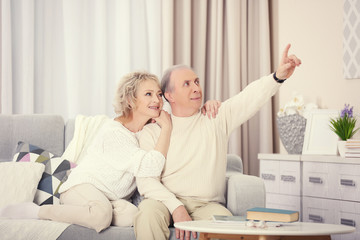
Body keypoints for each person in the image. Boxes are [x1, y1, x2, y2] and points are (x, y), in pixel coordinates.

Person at [134, 44, 302, 240]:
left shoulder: (216, 117)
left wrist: (277, 76)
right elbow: (146, 181)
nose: (197, 88)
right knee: (147, 214)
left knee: (227, 228)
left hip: (206, 205)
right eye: (187, 84)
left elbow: (248, 98)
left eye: (196, 81)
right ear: (169, 95)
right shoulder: (152, 130)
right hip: (162, 201)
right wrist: (176, 207)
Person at [0, 71, 172, 232]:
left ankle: (89, 211)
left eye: (159, 94)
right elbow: (151, 167)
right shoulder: (114, 133)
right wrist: (166, 129)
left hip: (111, 198)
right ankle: (38, 212)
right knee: (101, 217)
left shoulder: (146, 131)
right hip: (82, 187)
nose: (157, 100)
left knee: (132, 216)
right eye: (148, 94)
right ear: (130, 100)